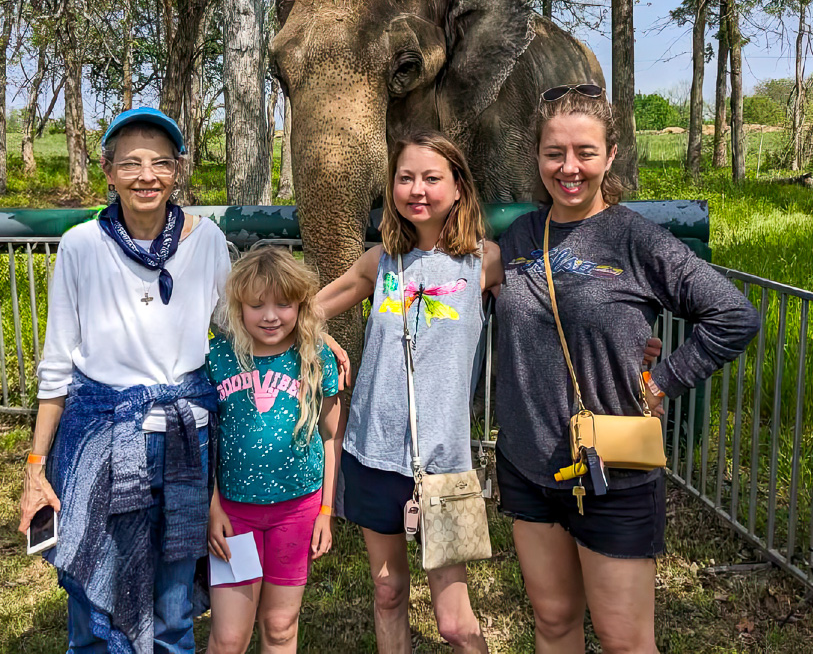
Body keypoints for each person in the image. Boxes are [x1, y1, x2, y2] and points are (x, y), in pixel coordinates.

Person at [494, 84, 761, 654]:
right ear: (537, 156)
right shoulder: (520, 234)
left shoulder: (636, 239)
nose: (569, 168)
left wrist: (665, 378)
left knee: (623, 641)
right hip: (527, 461)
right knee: (554, 623)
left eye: (585, 153)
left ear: (610, 156)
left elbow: (733, 315)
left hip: (612, 467)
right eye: (554, 153)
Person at [17, 107, 232, 653]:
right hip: (102, 440)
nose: (147, 176)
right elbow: (58, 365)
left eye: (161, 163)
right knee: (94, 606)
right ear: (108, 172)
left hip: (186, 440)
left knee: (173, 609)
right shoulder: (81, 245)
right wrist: (36, 469)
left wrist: (311, 332)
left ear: (178, 171)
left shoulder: (205, 241)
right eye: (131, 163)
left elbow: (243, 322)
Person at [314, 131, 500, 653]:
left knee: (455, 622)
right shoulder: (381, 262)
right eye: (405, 177)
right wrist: (322, 335)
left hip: (445, 465)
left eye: (432, 178)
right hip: (373, 455)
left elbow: (543, 320)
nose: (417, 189)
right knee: (388, 590)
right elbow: (300, 313)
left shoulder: (484, 262)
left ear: (459, 187)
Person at [204, 247, 343, 654]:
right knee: (230, 637)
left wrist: (326, 512)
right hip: (234, 515)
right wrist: (213, 509)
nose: (270, 315)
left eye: (284, 304)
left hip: (297, 513)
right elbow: (204, 443)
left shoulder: (316, 360)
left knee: (281, 627)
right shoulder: (217, 359)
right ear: (237, 305)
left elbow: (332, 437)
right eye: (257, 305)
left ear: (301, 304)